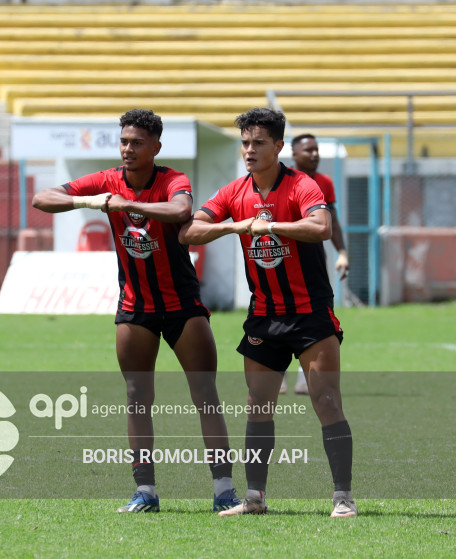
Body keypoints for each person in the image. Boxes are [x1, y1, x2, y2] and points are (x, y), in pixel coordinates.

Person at [32, 109, 240, 514]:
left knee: (205, 396)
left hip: (182, 307)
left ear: (155, 147)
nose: (128, 149)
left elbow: (180, 211)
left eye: (137, 143)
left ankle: (223, 490)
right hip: (135, 307)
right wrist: (87, 200)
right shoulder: (107, 181)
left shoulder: (172, 179)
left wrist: (127, 205)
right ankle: (145, 491)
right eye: (124, 141)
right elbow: (43, 198)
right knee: (136, 397)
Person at [180, 107, 356, 518]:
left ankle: (343, 497)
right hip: (264, 315)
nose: (249, 150)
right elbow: (188, 231)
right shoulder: (233, 192)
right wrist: (235, 227)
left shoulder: (302, 184)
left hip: (310, 314)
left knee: (326, 400)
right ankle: (255, 498)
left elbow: (321, 228)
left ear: (279, 146)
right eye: (244, 142)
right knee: (258, 405)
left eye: (259, 143)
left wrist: (271, 226)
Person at [281, 133, 350, 395]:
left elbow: (333, 220)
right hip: (284, 263)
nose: (314, 154)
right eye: (308, 150)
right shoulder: (281, 181)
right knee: (278, 314)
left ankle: (304, 376)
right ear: (294, 154)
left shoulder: (324, 182)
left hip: (314, 266)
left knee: (317, 316)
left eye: (317, 149)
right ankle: (277, 373)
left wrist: (342, 252)